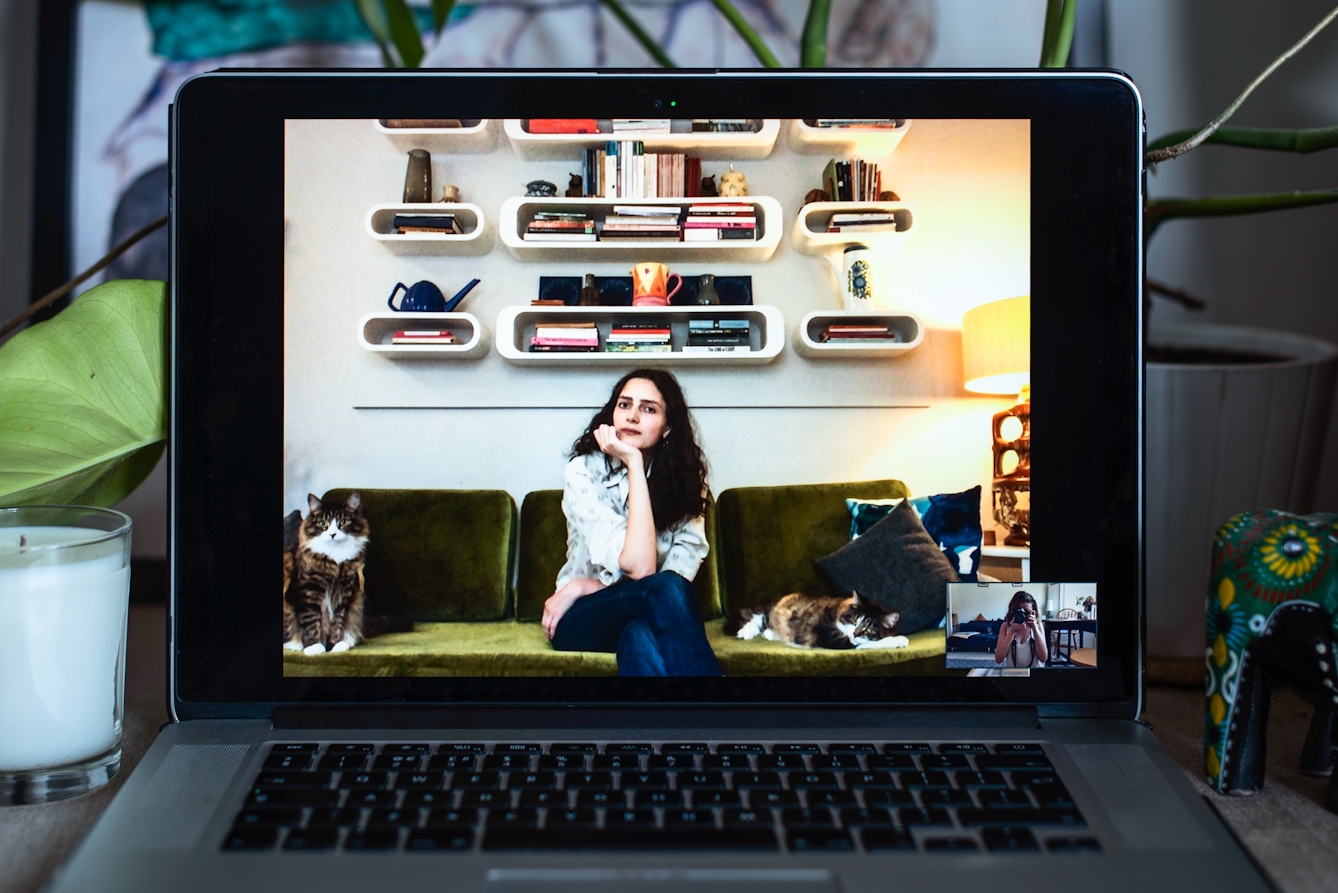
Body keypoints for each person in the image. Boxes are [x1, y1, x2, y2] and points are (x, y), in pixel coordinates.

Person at [542, 369, 723, 677]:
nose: (632, 417)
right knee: (663, 589)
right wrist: (634, 461)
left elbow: (675, 575)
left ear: (667, 427)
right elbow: (641, 570)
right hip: (580, 617)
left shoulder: (688, 482)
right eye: (624, 405)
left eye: (649, 409)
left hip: (650, 614)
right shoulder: (583, 472)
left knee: (638, 636)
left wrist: (583, 585)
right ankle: (725, 719)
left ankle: (660, 726)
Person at [993, 590, 1049, 668]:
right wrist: (1011, 632)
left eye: (1026, 612)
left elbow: (1043, 658)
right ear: (1012, 611)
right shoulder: (1005, 626)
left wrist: (1035, 628)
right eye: (1018, 611)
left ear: (1033, 612)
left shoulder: (1038, 626)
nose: (1021, 615)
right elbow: (998, 659)